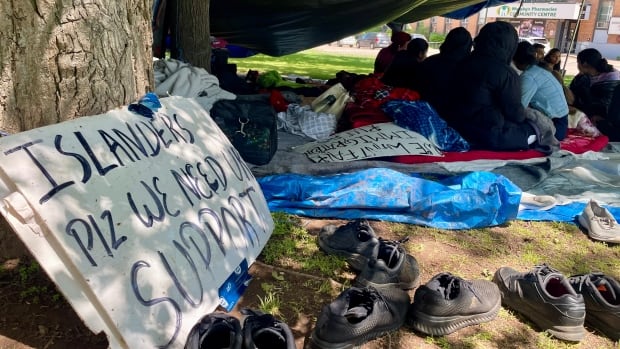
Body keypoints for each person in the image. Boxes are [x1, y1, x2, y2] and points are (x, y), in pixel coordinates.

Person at [442, 21, 538, 151]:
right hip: (487, 136)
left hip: (455, 129)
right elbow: (516, 114)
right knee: (535, 129)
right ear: (510, 45)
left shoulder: (461, 63)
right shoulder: (505, 72)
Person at [513, 41, 569, 140]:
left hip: (555, 127)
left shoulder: (529, 77)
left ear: (516, 60)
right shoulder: (538, 70)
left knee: (513, 133)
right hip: (561, 121)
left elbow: (519, 108)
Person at [416, 27, 472, 117]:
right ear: (468, 44)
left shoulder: (429, 61)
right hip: (456, 117)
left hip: (426, 112)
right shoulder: (470, 66)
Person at [570, 48, 620, 139]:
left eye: (578, 62)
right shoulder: (586, 76)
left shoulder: (612, 79)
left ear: (584, 64)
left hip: (604, 122)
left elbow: (606, 104)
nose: (578, 66)